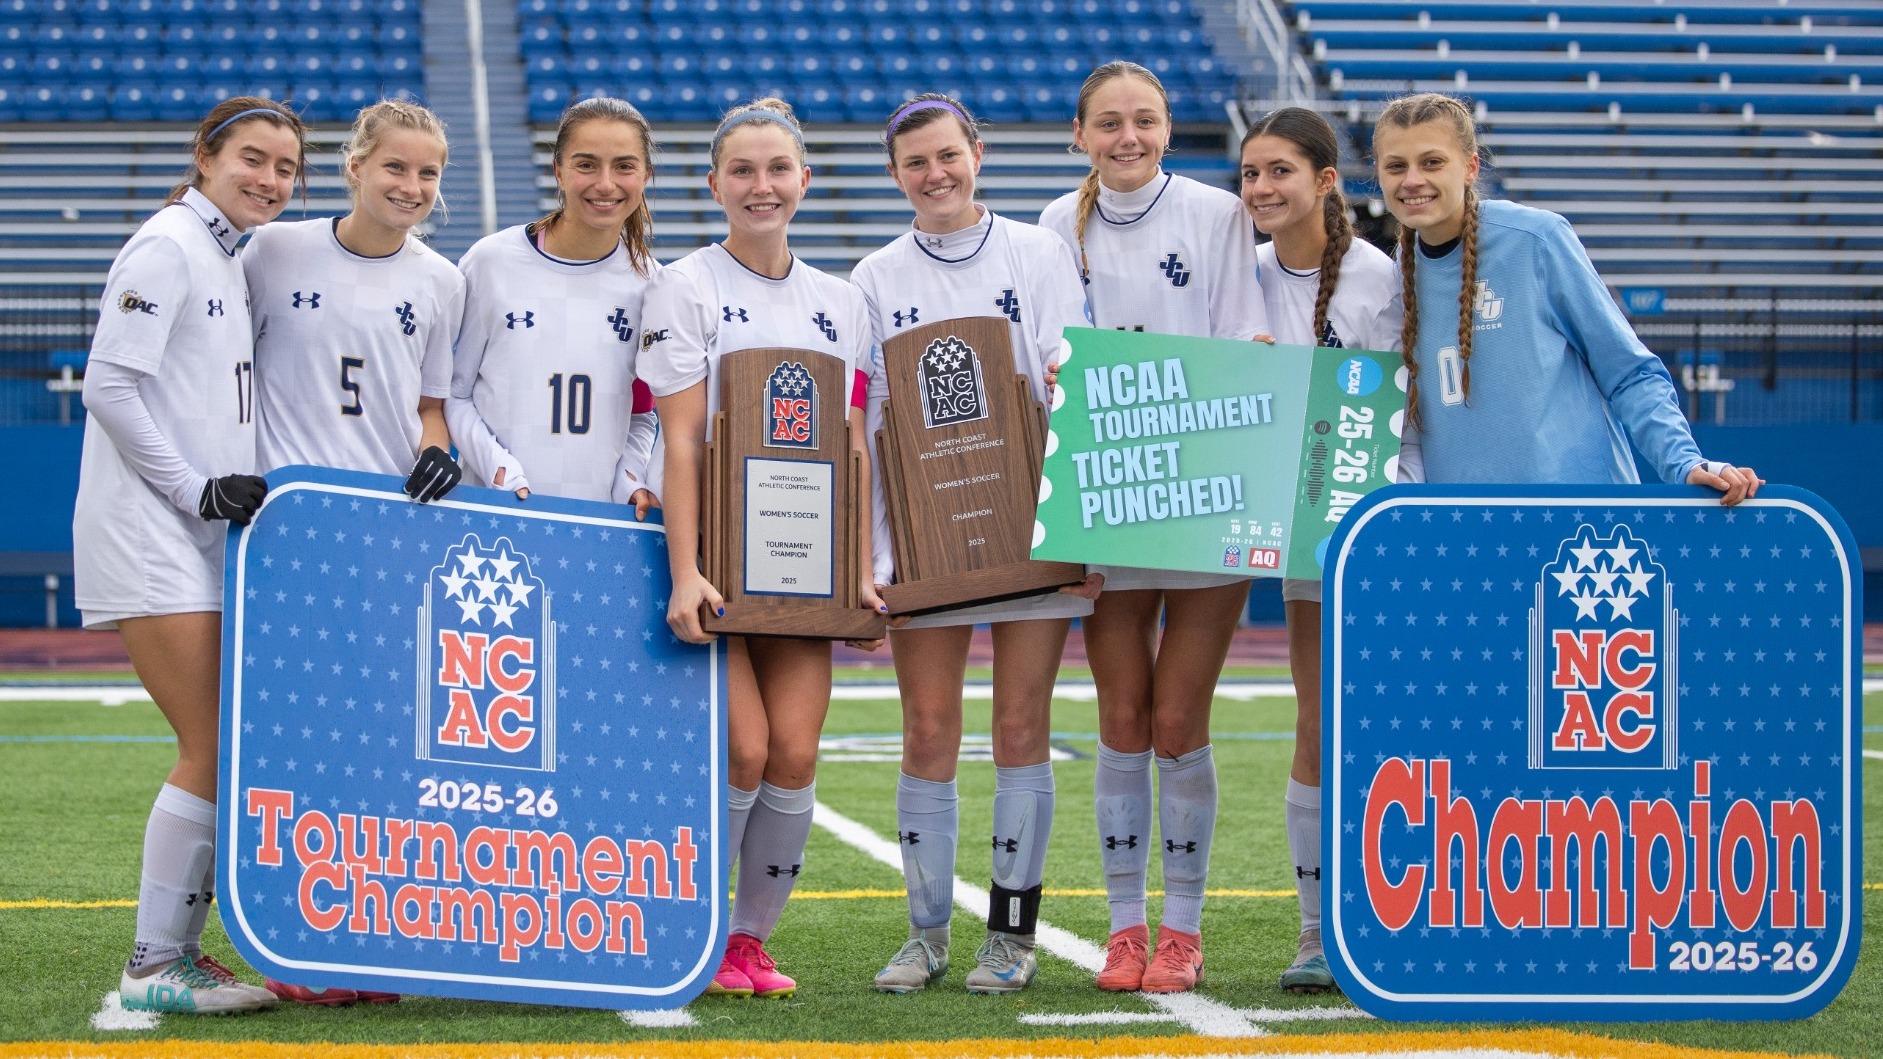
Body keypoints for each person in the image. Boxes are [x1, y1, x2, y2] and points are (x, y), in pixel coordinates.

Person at [850, 94, 1100, 994]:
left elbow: (1070, 386)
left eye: (947, 155)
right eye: (915, 163)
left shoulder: (1037, 254)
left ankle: (1010, 935)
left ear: (977, 153)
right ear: (894, 174)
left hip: (1027, 533)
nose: (935, 174)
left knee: (1021, 726)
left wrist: (1080, 529)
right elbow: (874, 427)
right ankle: (925, 934)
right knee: (926, 729)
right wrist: (878, 562)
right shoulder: (873, 276)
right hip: (927, 541)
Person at [640, 97, 885, 1000]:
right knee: (741, 749)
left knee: (793, 751)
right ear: (713, 185)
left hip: (808, 570)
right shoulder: (684, 284)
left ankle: (748, 941)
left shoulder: (842, 300)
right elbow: (680, 439)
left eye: (777, 169)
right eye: (741, 171)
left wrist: (858, 570)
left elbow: (852, 444)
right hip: (716, 569)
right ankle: (693, 926)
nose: (761, 186)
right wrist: (686, 569)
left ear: (804, 181)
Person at [1037, 61, 1270, 994]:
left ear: (1168, 129)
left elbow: (1244, 342)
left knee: (1178, 719)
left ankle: (1183, 928)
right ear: (1080, 135)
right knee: (1121, 720)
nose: (1126, 137)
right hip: (1108, 485)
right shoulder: (1059, 224)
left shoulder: (1217, 214)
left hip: (1205, 483)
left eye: (1144, 121)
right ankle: (1125, 929)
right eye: (1107, 123)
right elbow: (1055, 350)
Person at [74, 96, 306, 1015]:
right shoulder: (170, 243)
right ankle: (154, 958)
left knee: (228, 743)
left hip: (198, 538)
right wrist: (192, 489)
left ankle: (177, 950)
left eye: (287, 167)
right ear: (204, 156)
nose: (270, 179)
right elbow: (109, 382)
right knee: (212, 744)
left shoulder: (223, 252)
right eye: (253, 158)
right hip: (152, 530)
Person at [242, 98, 463, 1005]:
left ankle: (368, 936)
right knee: (287, 751)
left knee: (380, 750)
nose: (411, 187)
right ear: (355, 165)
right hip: (285, 539)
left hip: (386, 546)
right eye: (395, 168)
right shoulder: (274, 251)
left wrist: (438, 456)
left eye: (427, 175)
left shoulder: (442, 281)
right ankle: (288, 945)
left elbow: (431, 409)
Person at [1240, 105, 1419, 995]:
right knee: (1318, 724)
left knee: (1396, 727)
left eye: (1279, 171)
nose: (1262, 189)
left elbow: (1412, 418)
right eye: (1250, 174)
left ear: (1323, 180)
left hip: (1381, 535)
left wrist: (1401, 522)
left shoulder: (1381, 281)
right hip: (1304, 540)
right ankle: (1316, 932)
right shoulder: (1241, 275)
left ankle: (1408, 909)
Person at [1371, 92, 1760, 501]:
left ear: (1470, 167)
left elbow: (1627, 371)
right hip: (1472, 531)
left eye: (1432, 162)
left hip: (1581, 523)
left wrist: (1684, 463)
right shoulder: (1400, 271)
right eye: (1396, 166)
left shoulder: (1537, 240)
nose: (1412, 180)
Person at [446, 96, 661, 511]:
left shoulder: (653, 285)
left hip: (598, 524)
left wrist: (630, 477)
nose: (605, 183)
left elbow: (641, 412)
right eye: (586, 164)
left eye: (624, 166)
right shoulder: (490, 262)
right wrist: (499, 470)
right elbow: (454, 394)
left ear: (645, 176)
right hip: (496, 516)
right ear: (558, 171)